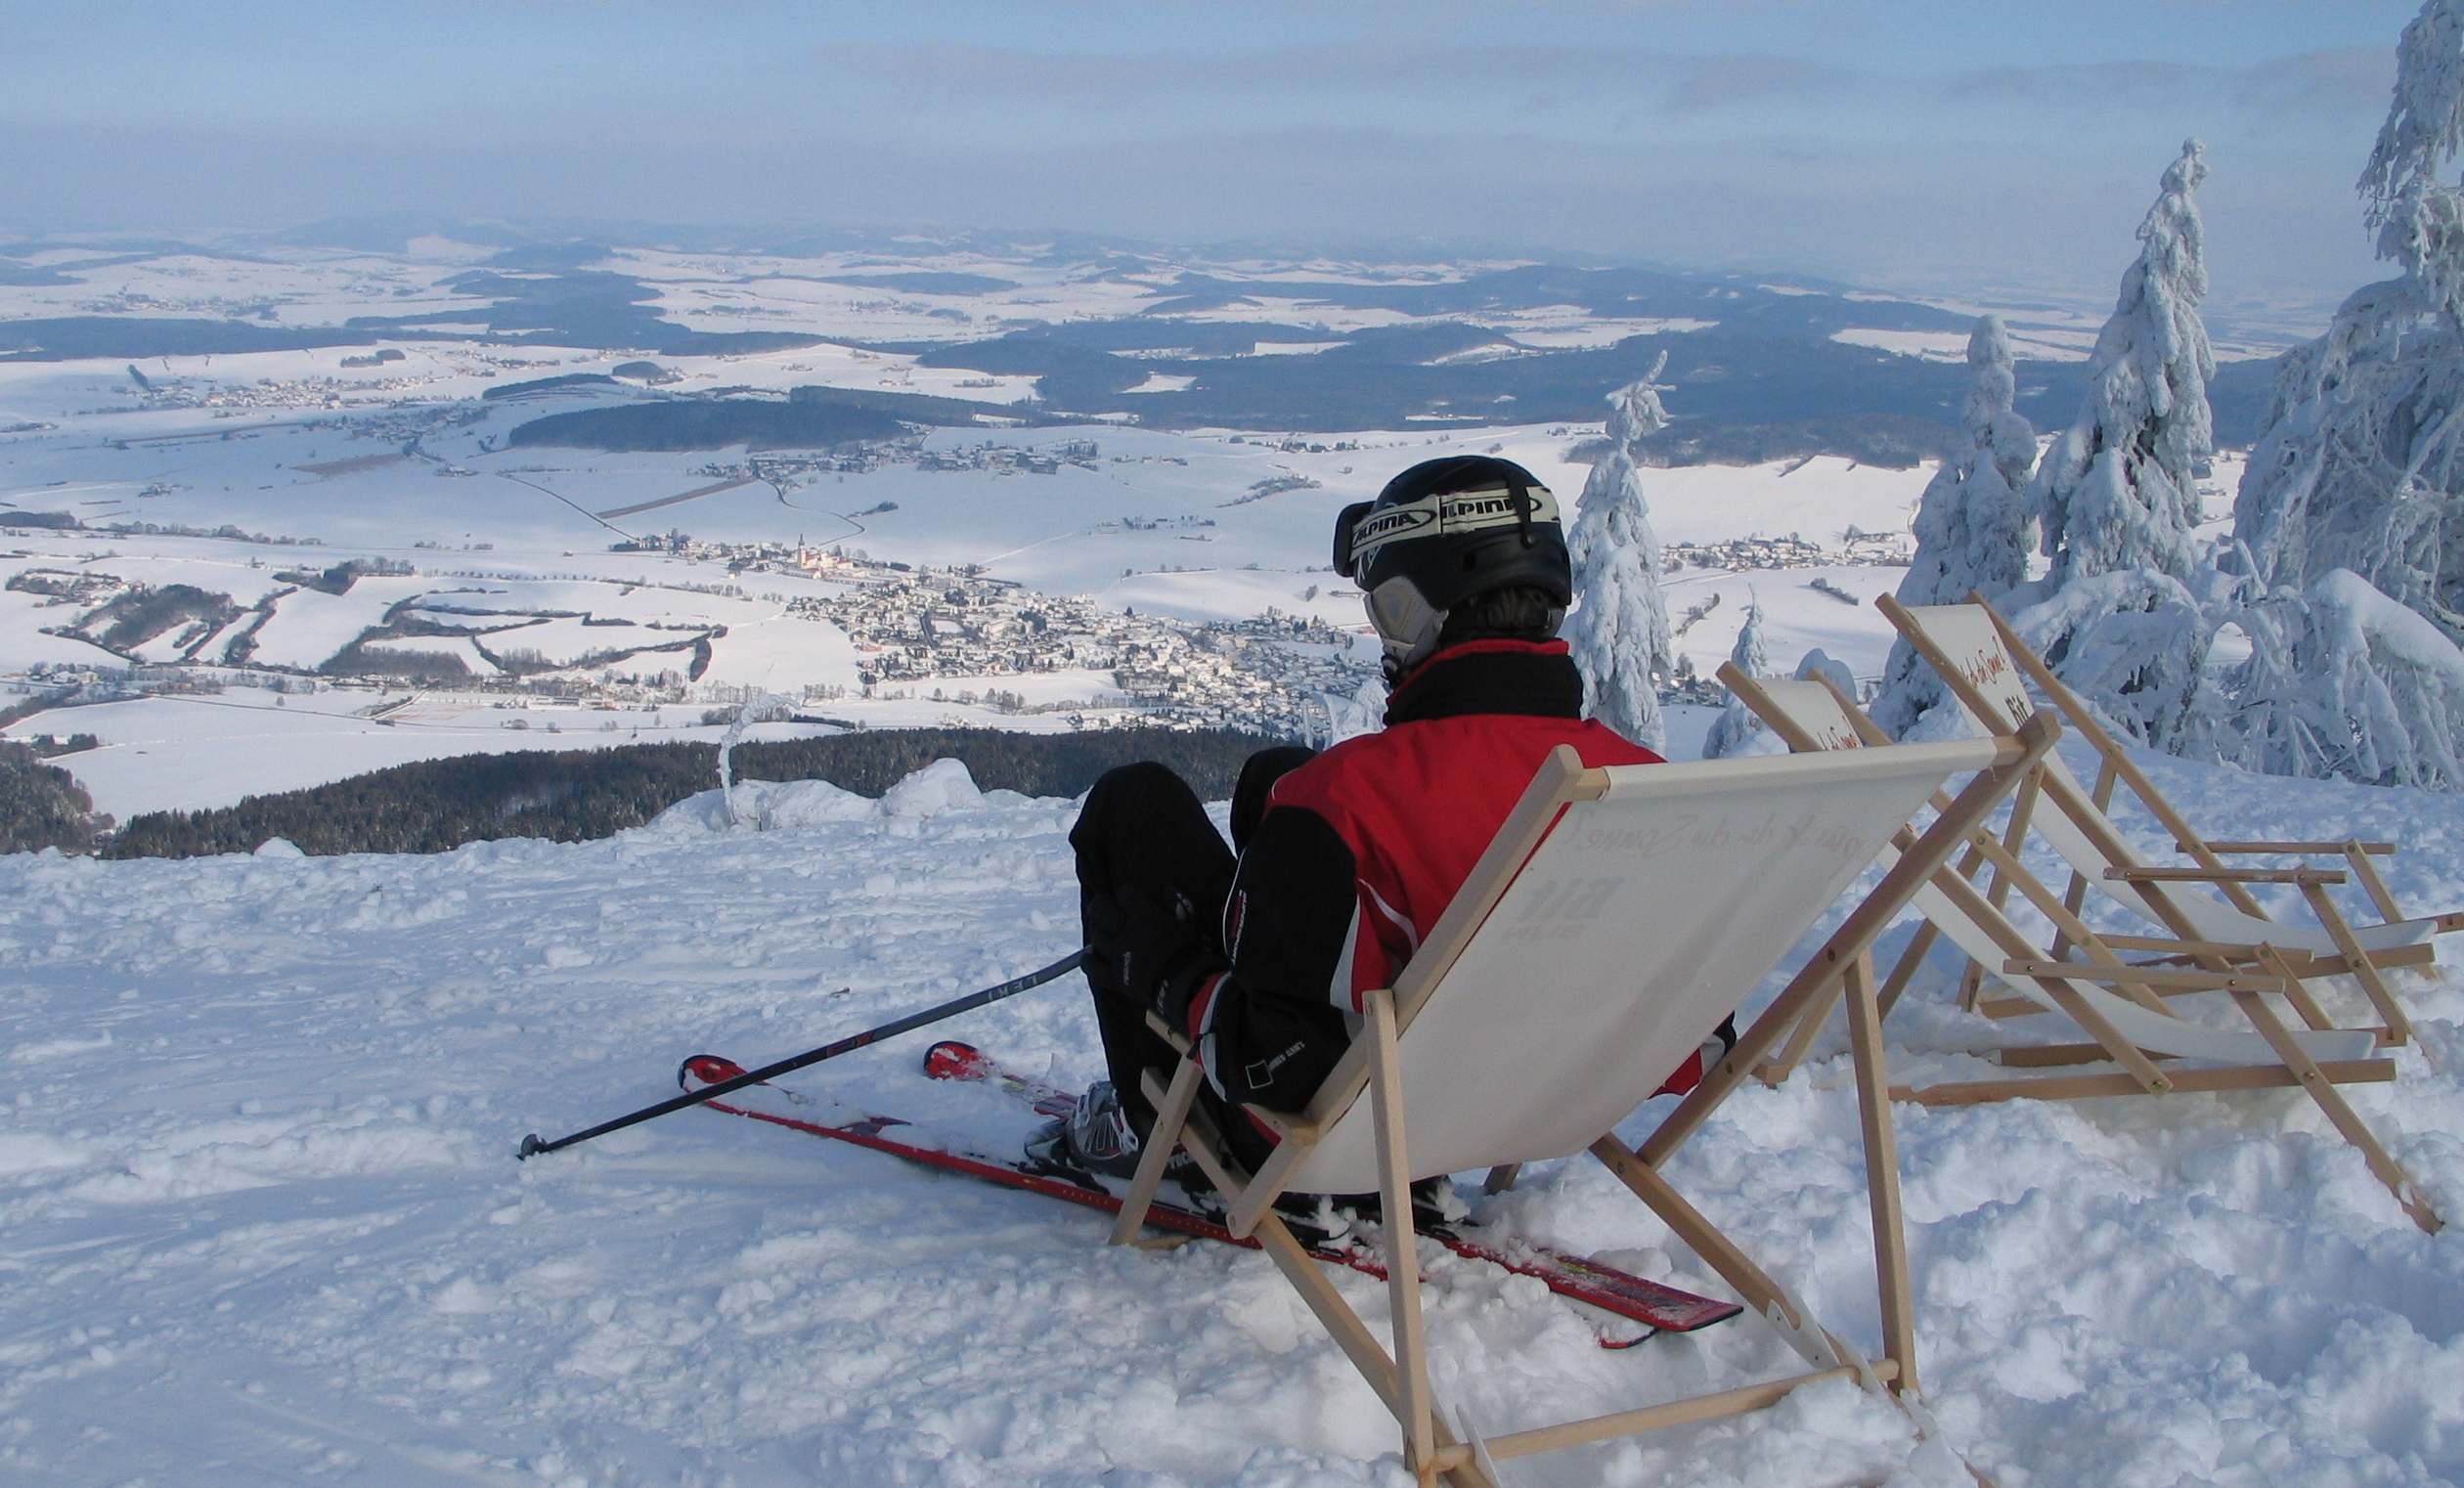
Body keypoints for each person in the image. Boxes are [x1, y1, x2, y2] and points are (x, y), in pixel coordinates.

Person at [1031, 454, 1730, 1184]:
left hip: (1343, 1141)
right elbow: (1701, 1040)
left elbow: (1277, 1070)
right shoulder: (1640, 786)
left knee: (1134, 805)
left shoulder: (1349, 800)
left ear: (1417, 608)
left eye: (1385, 608)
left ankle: (1161, 1134)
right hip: (1531, 1109)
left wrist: (1164, 968)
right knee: (1274, 777)